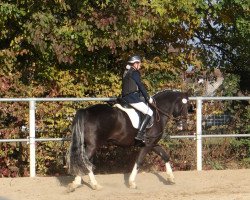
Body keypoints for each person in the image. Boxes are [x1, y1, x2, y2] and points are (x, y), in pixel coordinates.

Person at [121, 55, 153, 142]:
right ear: (135, 64)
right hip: (132, 98)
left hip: (125, 97)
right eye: (139, 64)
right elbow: (140, 86)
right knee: (149, 112)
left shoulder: (127, 72)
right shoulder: (134, 72)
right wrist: (148, 97)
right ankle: (140, 134)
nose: (140, 66)